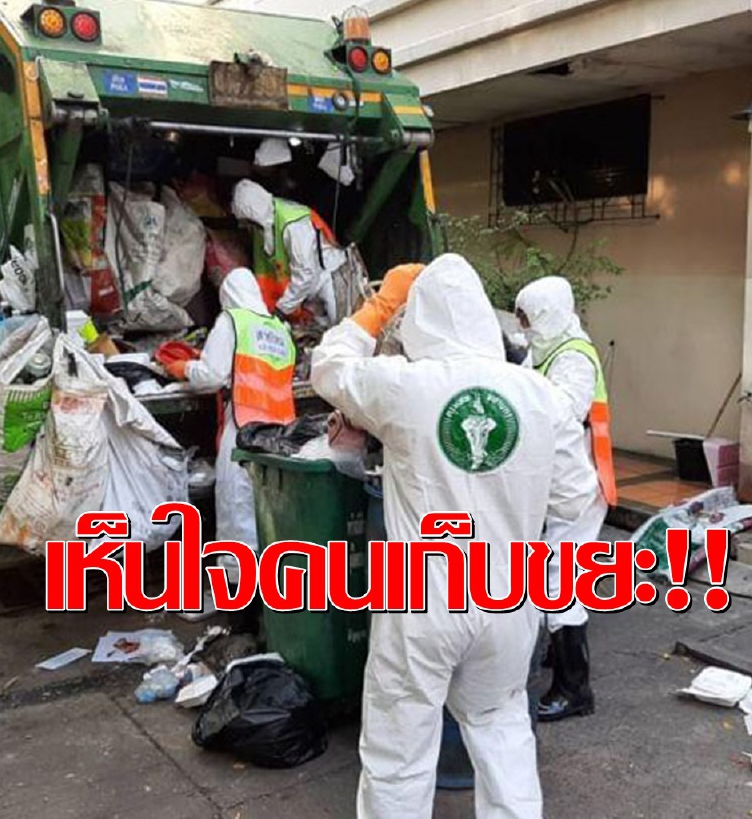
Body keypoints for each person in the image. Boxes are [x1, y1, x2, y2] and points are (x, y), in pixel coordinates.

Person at [312, 255, 599, 819]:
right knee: (502, 727)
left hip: (422, 599)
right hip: (507, 596)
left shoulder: (403, 385)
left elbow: (330, 365)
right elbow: (573, 499)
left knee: (400, 749)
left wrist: (378, 307)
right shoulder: (541, 395)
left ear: (421, 319)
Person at [514, 276, 618, 722]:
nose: (525, 328)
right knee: (553, 578)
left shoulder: (574, 357)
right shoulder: (548, 348)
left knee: (559, 584)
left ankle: (575, 690)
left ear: (550, 314)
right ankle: (558, 654)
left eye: (529, 319)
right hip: (559, 486)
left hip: (578, 489)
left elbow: (559, 413)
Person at [165, 268, 296, 551]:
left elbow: (211, 375)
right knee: (271, 511)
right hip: (281, 433)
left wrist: (184, 367)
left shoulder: (232, 321)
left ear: (227, 295)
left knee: (237, 507)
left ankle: (235, 574)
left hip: (243, 428)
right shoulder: (279, 330)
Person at [231, 179, 344, 325]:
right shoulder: (265, 225)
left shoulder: (294, 225)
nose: (244, 226)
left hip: (330, 278)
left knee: (341, 328)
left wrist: (282, 309)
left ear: (252, 217)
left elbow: (306, 273)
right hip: (307, 292)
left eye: (245, 222)